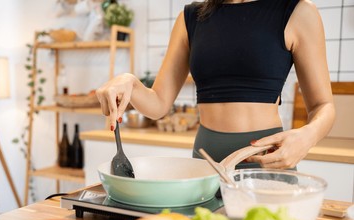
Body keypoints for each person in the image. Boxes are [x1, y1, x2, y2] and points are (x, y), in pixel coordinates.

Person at [96, 0, 335, 169]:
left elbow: (324, 106)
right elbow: (158, 104)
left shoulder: (298, 11)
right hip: (205, 164)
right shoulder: (190, 18)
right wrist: (129, 81)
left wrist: (306, 138)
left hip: (267, 162)